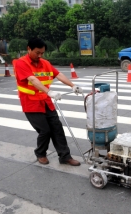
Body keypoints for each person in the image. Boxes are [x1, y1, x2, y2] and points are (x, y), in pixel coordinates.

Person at [14, 38, 83, 166]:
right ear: (29, 49)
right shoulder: (21, 63)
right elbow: (33, 80)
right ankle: (40, 153)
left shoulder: (45, 63)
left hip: (45, 102)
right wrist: (49, 92)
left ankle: (65, 156)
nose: (40, 55)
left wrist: (73, 85)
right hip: (31, 104)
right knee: (45, 130)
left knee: (57, 128)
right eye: (37, 52)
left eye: (42, 53)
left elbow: (58, 74)